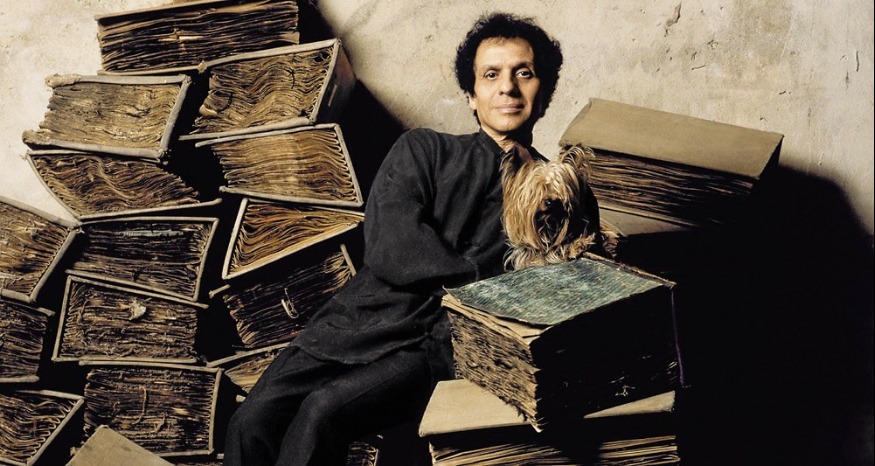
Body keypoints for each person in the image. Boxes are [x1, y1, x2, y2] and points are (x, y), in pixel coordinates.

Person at [223, 12, 564, 466]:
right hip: (364, 318)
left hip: (439, 342)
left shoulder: (558, 189)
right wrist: (479, 280)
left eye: (524, 73)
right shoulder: (424, 149)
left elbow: (549, 286)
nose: (507, 87)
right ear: (470, 95)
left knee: (323, 413)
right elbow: (392, 245)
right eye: (491, 75)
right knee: (252, 421)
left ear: (544, 92)